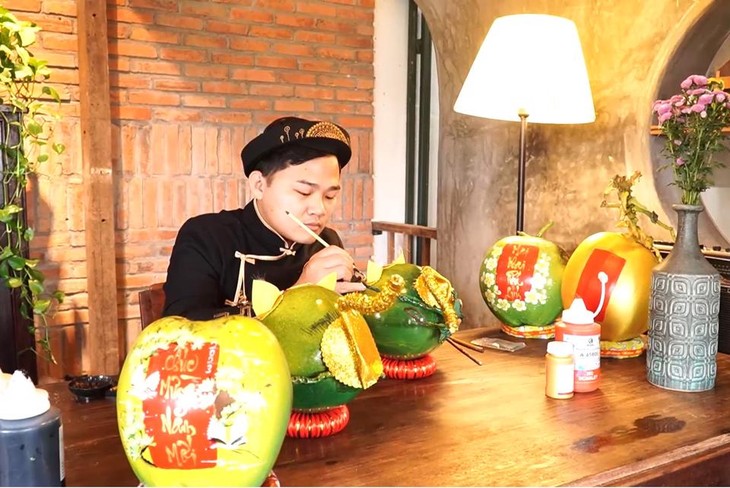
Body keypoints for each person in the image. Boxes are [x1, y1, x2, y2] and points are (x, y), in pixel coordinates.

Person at [163, 116, 364, 320]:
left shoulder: (327, 243)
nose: (319, 209)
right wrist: (299, 295)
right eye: (303, 192)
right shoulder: (207, 236)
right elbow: (181, 329)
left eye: (330, 196)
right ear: (259, 185)